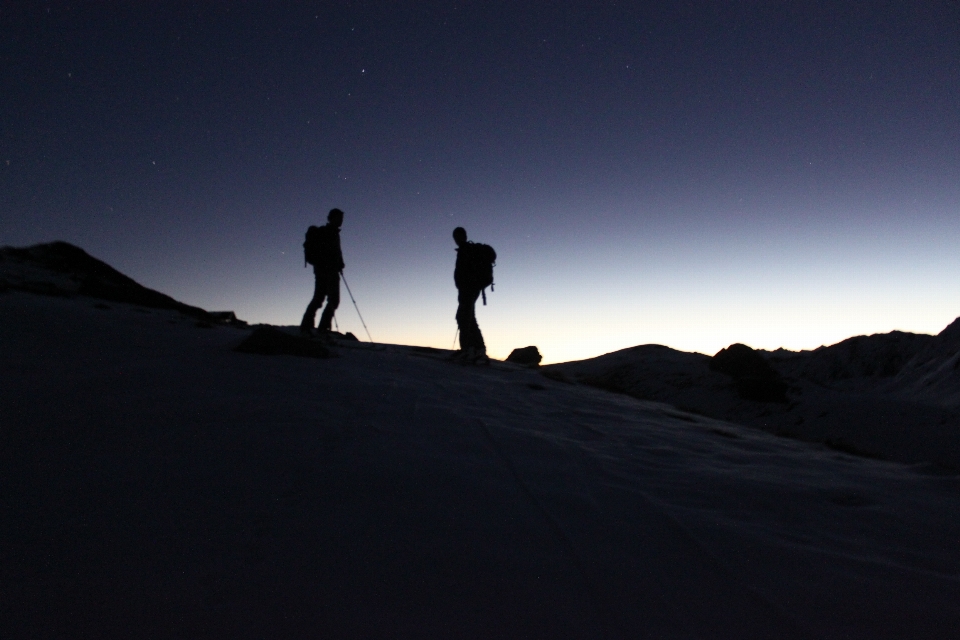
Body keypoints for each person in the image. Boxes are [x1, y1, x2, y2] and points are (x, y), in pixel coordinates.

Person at [300, 208, 345, 335]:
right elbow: (331, 252)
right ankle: (322, 329)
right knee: (333, 299)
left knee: (319, 298)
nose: (341, 221)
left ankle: (307, 326)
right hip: (328, 270)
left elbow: (336, 252)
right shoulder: (329, 232)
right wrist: (337, 263)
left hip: (322, 270)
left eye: (341, 218)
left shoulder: (333, 233)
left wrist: (340, 263)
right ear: (332, 218)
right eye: (339, 218)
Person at [452, 226, 489, 363]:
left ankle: (469, 349)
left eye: (458, 236)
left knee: (463, 317)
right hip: (469, 290)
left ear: (464, 236)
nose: (456, 239)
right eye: (455, 237)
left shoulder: (467, 250)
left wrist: (467, 286)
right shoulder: (465, 250)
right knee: (468, 317)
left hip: (469, 290)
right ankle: (477, 349)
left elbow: (466, 272)